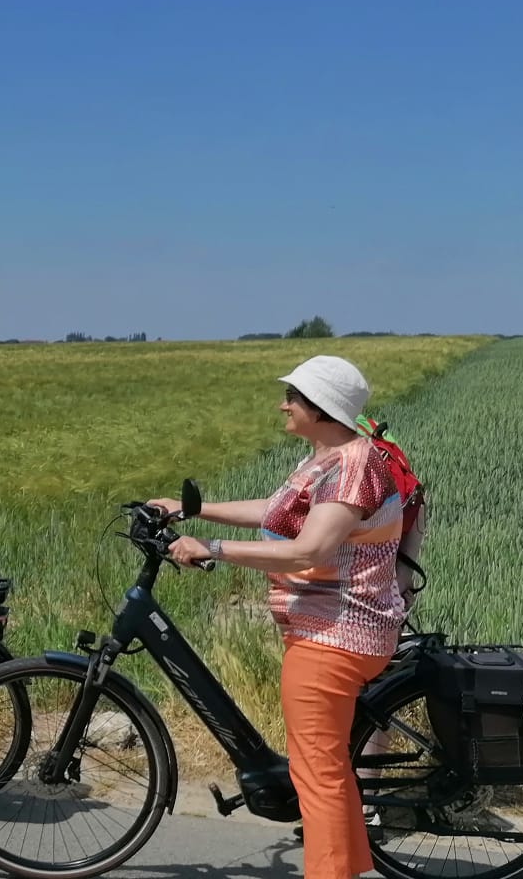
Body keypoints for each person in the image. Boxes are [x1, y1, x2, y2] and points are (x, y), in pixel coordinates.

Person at [158, 354, 407, 879]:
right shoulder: (327, 458)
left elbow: (307, 551)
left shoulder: (354, 467)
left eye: (292, 396)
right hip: (327, 631)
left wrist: (212, 548)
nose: (283, 404)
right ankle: (347, 866)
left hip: (336, 635)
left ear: (320, 408)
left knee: (318, 777)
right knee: (327, 771)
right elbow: (276, 512)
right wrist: (192, 510)